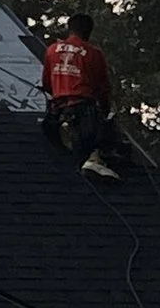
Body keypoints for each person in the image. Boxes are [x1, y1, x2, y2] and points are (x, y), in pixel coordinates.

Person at [42, 12, 120, 181]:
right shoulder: (93, 53)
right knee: (107, 137)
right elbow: (102, 89)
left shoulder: (52, 50)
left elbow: (47, 84)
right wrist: (105, 114)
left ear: (69, 29)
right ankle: (96, 159)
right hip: (83, 110)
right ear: (89, 32)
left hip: (57, 112)